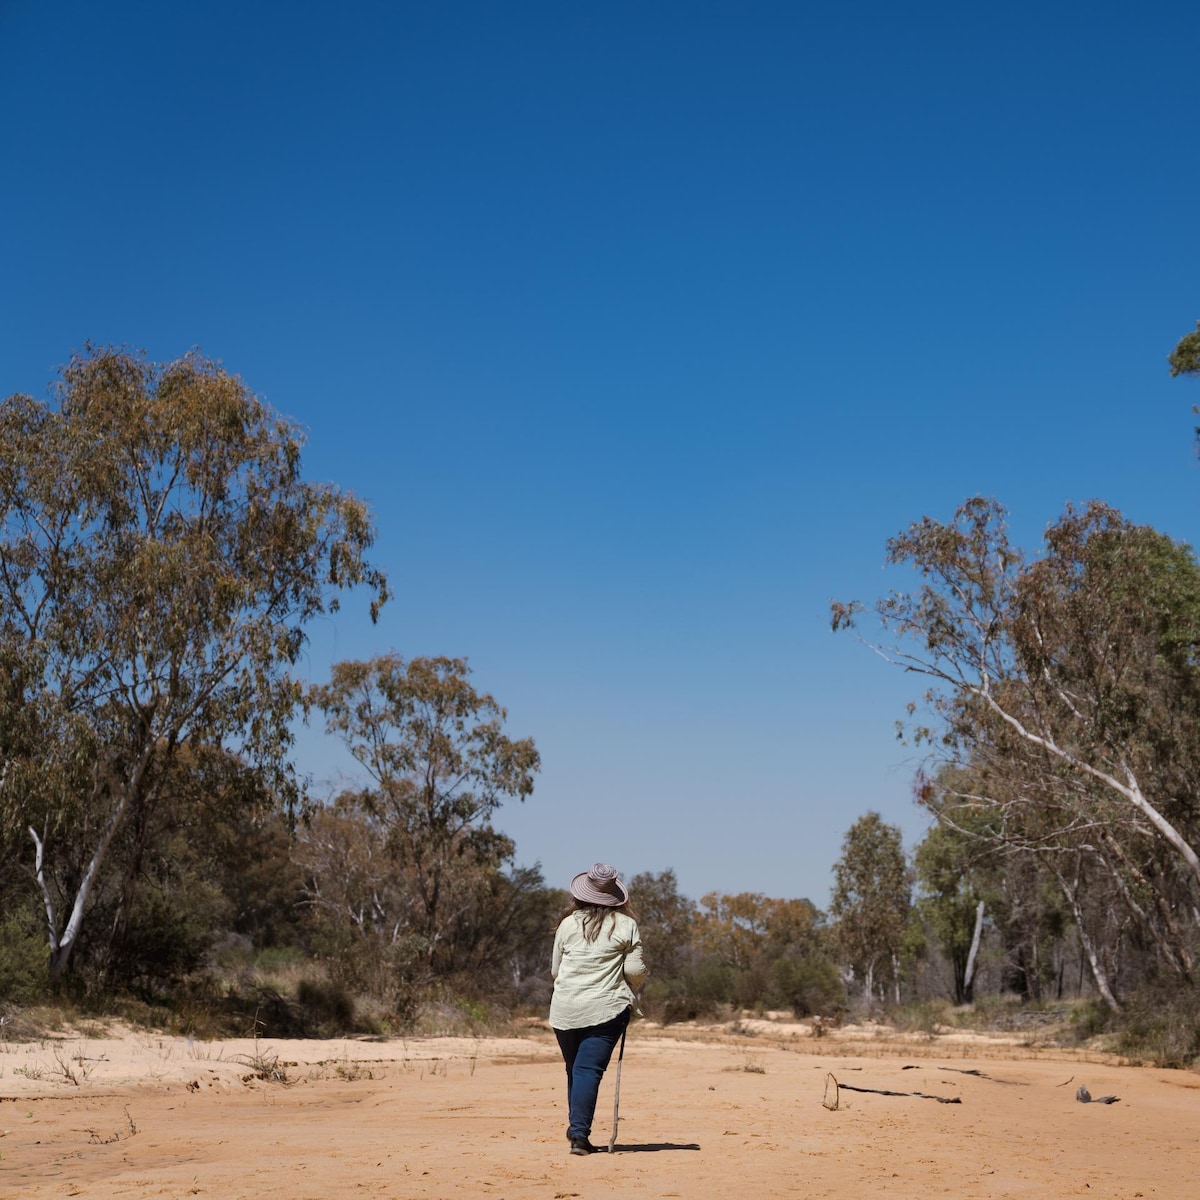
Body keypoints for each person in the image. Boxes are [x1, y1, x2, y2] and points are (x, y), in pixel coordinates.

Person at [550, 862, 646, 1156]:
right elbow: (635, 969)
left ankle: (577, 1127)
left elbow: (555, 970)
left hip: (565, 1009)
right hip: (606, 1008)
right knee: (587, 1071)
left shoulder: (567, 925)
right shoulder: (626, 925)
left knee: (575, 1070)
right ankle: (579, 1135)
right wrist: (631, 983)